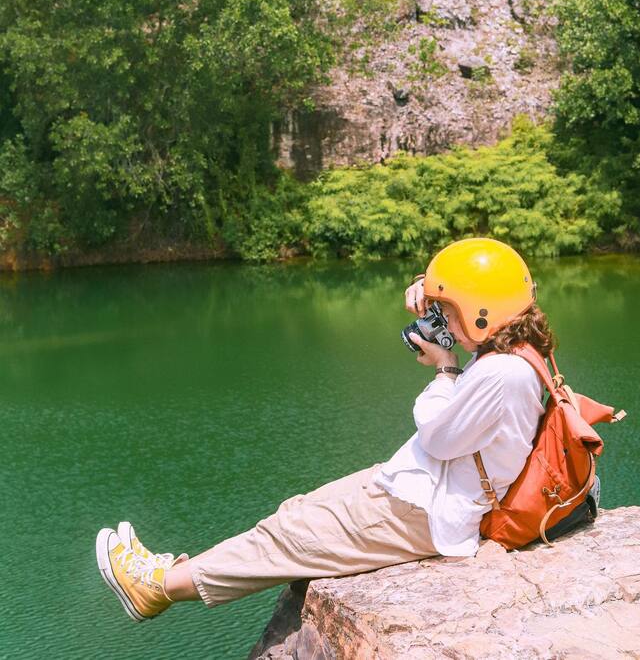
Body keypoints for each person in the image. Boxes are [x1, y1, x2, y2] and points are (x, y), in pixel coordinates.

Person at [95, 237, 552, 622]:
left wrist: (443, 368)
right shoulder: (513, 342)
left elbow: (438, 435)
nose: (441, 322)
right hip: (420, 483)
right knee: (293, 513)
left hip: (428, 510)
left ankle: (159, 588)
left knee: (293, 538)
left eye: (448, 311)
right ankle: (179, 571)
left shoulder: (502, 374)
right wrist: (431, 291)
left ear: (480, 310)